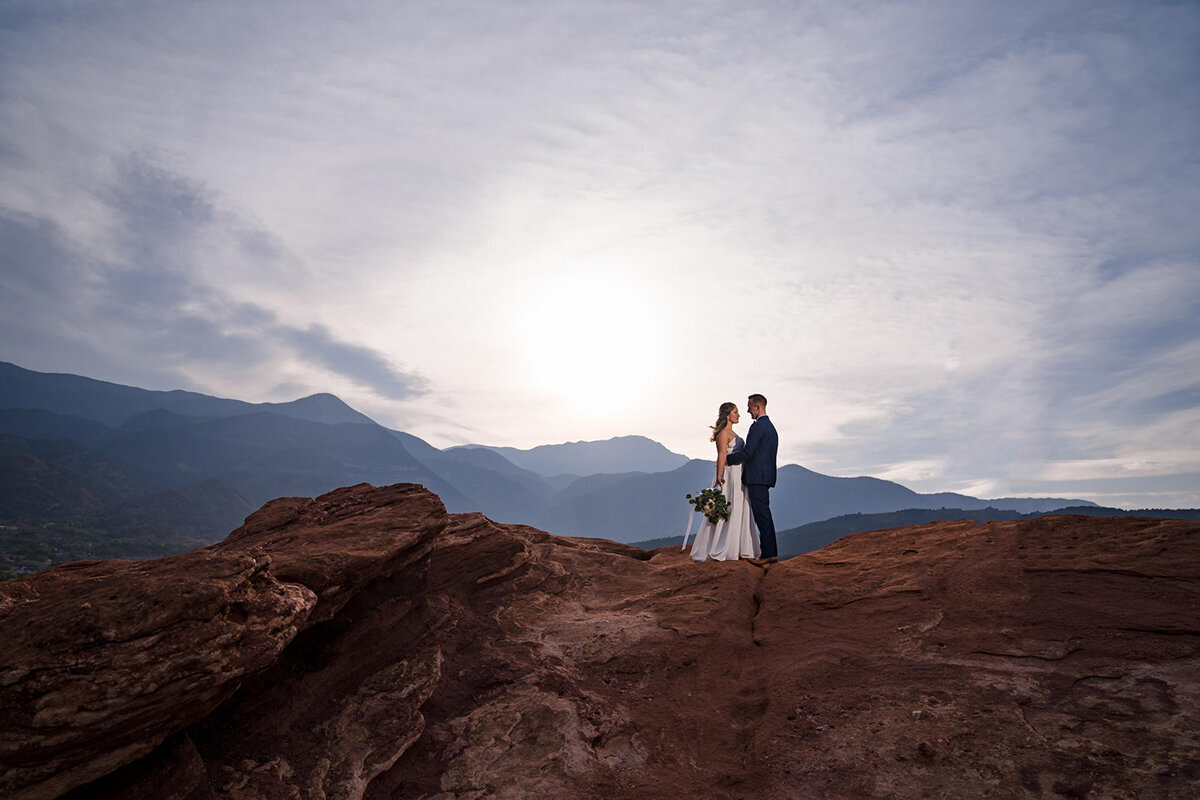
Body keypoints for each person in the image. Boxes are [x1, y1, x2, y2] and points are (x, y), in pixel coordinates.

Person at [688, 402, 760, 562]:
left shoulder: (731, 432)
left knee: (739, 507)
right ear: (728, 415)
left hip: (739, 474)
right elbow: (721, 455)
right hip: (729, 475)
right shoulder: (723, 434)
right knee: (729, 507)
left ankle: (739, 546)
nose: (739, 415)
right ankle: (723, 546)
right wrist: (719, 477)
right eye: (736, 412)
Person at [724, 393, 779, 566]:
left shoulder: (758, 427)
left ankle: (768, 554)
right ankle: (769, 552)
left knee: (762, 515)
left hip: (757, 477)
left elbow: (748, 452)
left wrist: (728, 460)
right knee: (764, 514)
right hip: (765, 476)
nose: (748, 411)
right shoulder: (770, 427)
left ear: (757, 407)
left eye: (749, 408)